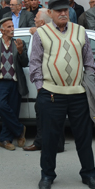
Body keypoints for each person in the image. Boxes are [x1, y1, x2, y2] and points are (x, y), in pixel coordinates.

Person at [28, 0, 95, 189]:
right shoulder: (41, 34)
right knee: (50, 139)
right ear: (50, 13)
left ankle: (89, 174)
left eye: (65, 11)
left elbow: (89, 61)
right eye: (58, 11)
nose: (63, 14)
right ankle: (47, 175)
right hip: (51, 94)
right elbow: (34, 64)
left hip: (78, 94)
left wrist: (89, 80)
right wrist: (40, 87)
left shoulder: (80, 31)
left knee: (84, 137)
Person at [23, 9, 64, 153]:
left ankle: (49, 143)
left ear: (41, 22)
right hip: (44, 81)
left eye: (36, 17)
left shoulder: (43, 35)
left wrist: (40, 85)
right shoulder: (40, 33)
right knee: (43, 112)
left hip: (48, 82)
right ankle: (44, 141)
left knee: (49, 113)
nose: (33, 19)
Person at [0, 17, 28, 152]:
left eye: (12, 26)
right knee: (2, 106)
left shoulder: (19, 43)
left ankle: (5, 140)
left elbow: (25, 63)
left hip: (16, 81)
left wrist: (21, 52)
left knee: (13, 112)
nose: (12, 29)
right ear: (2, 30)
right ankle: (20, 130)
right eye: (8, 27)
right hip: (0, 82)